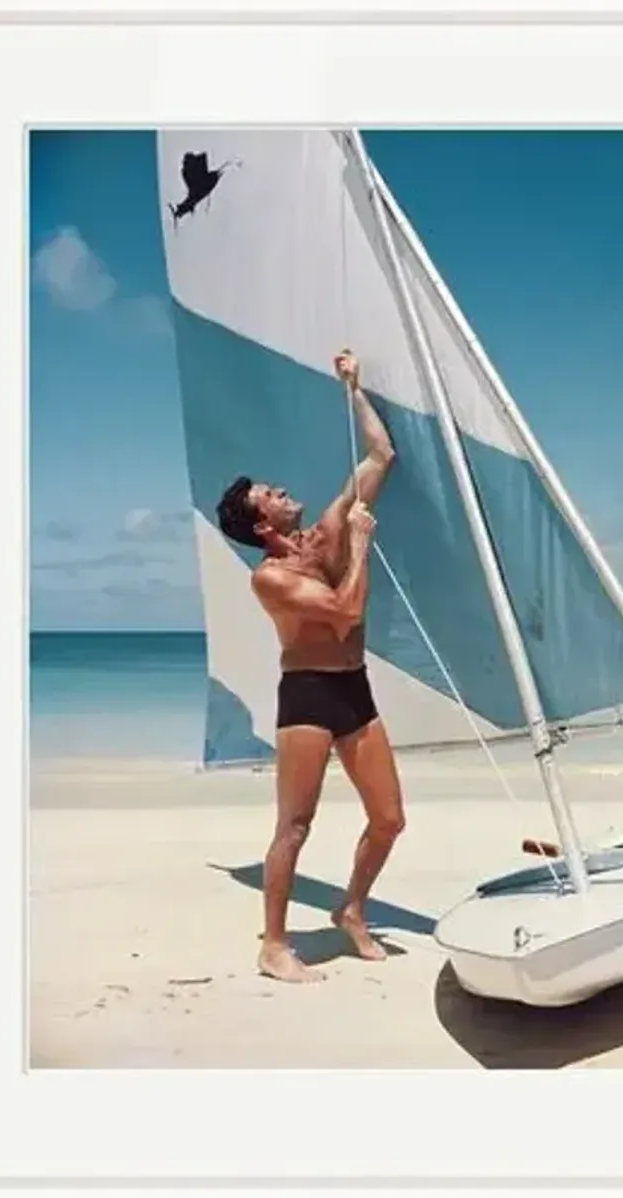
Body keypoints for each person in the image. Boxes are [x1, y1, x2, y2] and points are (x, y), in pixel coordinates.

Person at [215, 349, 403, 982]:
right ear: (261, 523)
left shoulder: (324, 536)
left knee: (389, 818)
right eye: (270, 493)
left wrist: (353, 388)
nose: (282, 490)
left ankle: (350, 910)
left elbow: (380, 456)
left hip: (354, 690)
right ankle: (274, 945)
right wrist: (363, 543)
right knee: (295, 825)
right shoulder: (272, 578)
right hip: (307, 699)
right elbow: (346, 612)